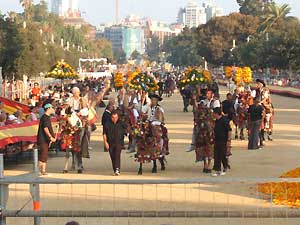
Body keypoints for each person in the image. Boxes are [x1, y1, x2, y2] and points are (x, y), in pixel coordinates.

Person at [103, 110, 126, 176]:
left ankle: (117, 169)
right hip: (110, 142)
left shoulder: (121, 123)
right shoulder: (107, 124)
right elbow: (104, 133)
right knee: (112, 156)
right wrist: (105, 142)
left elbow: (126, 129)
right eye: (113, 117)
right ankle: (115, 169)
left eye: (116, 117)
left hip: (119, 142)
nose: (115, 119)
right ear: (111, 117)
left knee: (117, 155)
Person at [212, 107, 232, 177]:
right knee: (216, 155)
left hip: (224, 140)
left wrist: (229, 140)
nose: (213, 114)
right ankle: (217, 170)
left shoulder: (224, 120)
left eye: (213, 113)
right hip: (217, 140)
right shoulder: (216, 121)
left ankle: (224, 167)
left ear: (216, 113)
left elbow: (229, 130)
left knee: (222, 154)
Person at [37, 103, 56, 176]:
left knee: (44, 155)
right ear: (48, 108)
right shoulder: (45, 117)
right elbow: (45, 128)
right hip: (43, 139)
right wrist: (50, 137)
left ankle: (43, 170)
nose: (53, 109)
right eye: (52, 108)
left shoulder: (47, 117)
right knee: (42, 155)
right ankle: (38, 170)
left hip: (45, 140)